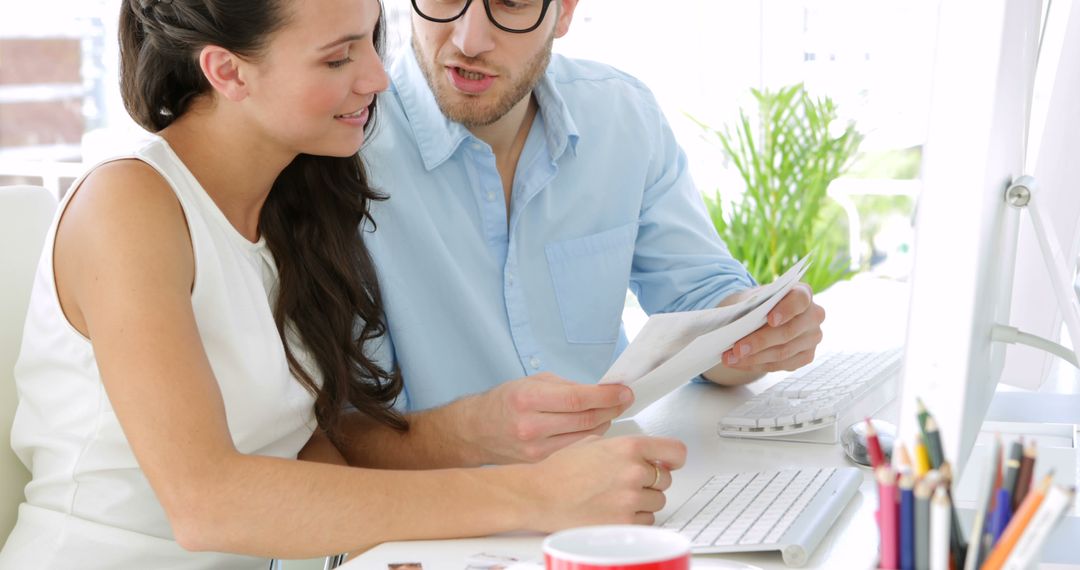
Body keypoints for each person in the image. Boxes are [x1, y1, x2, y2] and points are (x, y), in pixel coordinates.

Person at [0, 1, 686, 568]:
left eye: (373, 41)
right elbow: (208, 502)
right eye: (339, 57)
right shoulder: (128, 206)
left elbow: (309, 453)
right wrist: (535, 496)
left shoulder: (290, 208)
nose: (379, 79)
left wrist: (481, 433)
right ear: (227, 72)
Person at [356, 0, 827, 466]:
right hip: (436, 521)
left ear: (563, 13)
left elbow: (701, 306)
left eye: (512, 3)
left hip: (612, 489)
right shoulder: (348, 149)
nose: (468, 40)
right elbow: (336, 436)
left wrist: (758, 332)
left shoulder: (622, 116)